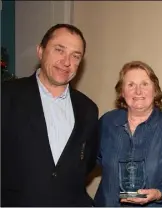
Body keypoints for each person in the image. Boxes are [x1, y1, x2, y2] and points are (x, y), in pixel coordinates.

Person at [1, 24, 99, 206]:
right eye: (59, 50)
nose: (66, 61)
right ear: (40, 51)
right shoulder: (6, 95)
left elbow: (87, 164)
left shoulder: (88, 109)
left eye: (75, 56)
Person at [94, 61, 162, 207]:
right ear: (122, 92)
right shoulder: (107, 122)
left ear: (155, 90)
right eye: (130, 85)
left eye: (144, 84)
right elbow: (89, 160)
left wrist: (159, 193)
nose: (138, 91)